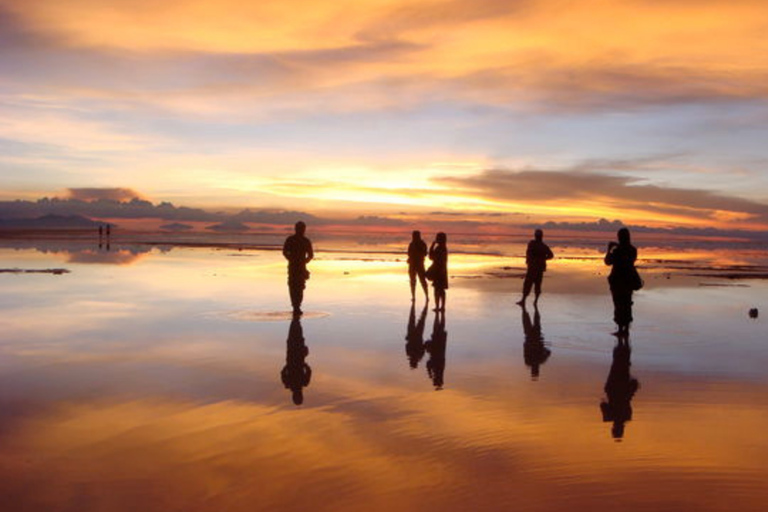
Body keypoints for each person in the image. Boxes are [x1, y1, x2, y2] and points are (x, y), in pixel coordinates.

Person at [604, 227, 638, 334]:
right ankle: (626, 328)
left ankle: (620, 329)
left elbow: (608, 262)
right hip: (628, 279)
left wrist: (609, 249)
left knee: (618, 304)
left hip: (618, 280)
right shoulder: (632, 250)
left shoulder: (617, 251)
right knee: (627, 303)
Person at [282, 221, 314, 315]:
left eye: (302, 229)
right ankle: (295, 306)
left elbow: (310, 255)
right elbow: (285, 252)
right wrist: (291, 259)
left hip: (300, 267)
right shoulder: (291, 240)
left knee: (299, 287)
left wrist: (304, 262)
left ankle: (297, 306)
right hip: (293, 267)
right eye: (299, 228)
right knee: (294, 286)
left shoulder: (305, 241)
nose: (301, 230)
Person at [517, 229, 554, 306]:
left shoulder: (532, 243)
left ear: (536, 236)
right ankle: (535, 301)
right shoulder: (543, 246)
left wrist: (531, 260)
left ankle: (524, 300)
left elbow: (529, 253)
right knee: (537, 285)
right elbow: (551, 255)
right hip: (539, 268)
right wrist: (543, 259)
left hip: (533, 268)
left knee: (528, 284)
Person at [281, 315, 312, 406]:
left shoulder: (302, 382)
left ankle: (296, 317)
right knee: (296, 329)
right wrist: (288, 365)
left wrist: (303, 364)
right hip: (293, 354)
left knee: (296, 328)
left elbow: (309, 371)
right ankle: (296, 317)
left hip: (295, 354)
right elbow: (282, 372)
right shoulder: (289, 384)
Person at [428, 232, 448, 311]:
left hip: (438, 270)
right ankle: (442, 307)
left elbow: (431, 257)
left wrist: (432, 246)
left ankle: (438, 306)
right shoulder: (443, 248)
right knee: (441, 290)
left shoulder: (439, 248)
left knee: (437, 290)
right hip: (442, 270)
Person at [407, 230, 429, 301]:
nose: (413, 237)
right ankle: (414, 296)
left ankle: (426, 296)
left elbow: (425, 253)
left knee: (421, 280)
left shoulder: (420, 244)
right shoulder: (413, 244)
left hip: (418, 264)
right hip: (414, 264)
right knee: (414, 280)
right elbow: (409, 253)